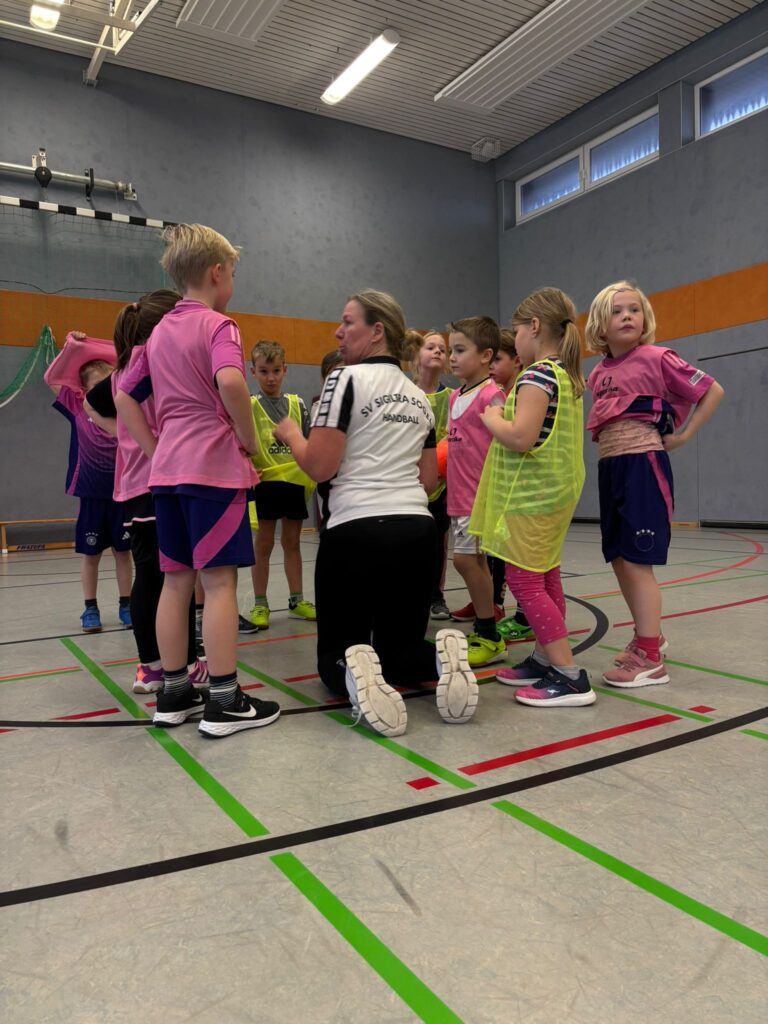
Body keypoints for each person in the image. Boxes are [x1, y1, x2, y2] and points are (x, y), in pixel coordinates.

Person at [273, 289, 478, 736]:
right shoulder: (419, 398)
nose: (338, 331)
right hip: (417, 533)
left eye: (348, 322)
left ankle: (354, 669)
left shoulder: (342, 381)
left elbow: (320, 465)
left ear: (378, 330)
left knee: (334, 657)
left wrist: (291, 434)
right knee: (402, 651)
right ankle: (443, 659)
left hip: (355, 532)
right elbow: (427, 480)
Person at [116, 223, 280, 738]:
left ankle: (174, 692)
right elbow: (231, 380)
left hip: (166, 475)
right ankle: (226, 698)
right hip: (212, 469)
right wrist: (248, 438)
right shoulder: (218, 326)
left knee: (175, 582)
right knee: (220, 581)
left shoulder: (158, 331)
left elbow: (123, 396)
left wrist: (154, 448)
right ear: (217, 272)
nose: (232, 281)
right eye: (231, 272)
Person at [585, 281, 724, 688]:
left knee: (639, 560)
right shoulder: (598, 373)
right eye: (616, 311)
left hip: (643, 465)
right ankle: (651, 636)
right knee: (619, 557)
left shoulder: (657, 357)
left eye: (634, 309)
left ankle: (649, 658)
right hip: (611, 468)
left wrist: (682, 436)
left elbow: (711, 390)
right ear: (600, 325)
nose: (627, 316)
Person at [471, 287, 593, 707]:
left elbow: (521, 437)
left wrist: (490, 419)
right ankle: (545, 657)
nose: (515, 340)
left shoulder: (538, 375)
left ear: (534, 327)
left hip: (533, 495)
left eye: (516, 331)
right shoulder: (567, 375)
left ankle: (568, 673)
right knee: (546, 575)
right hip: (555, 494)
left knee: (524, 580)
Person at [84, 291, 208, 695]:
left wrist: (118, 433)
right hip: (163, 483)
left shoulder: (121, 372)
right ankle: (186, 664)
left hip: (134, 491)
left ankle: (150, 667)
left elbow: (91, 402)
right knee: (176, 579)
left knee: (149, 577)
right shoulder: (158, 365)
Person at [47, 343, 132, 633]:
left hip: (121, 491)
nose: (105, 390)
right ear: (82, 390)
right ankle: (90, 608)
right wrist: (72, 349)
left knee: (124, 552)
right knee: (91, 555)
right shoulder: (76, 406)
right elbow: (51, 378)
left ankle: (126, 604)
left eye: (108, 384)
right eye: (98, 385)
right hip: (91, 492)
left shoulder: (123, 409)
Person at [445, 316, 507, 667]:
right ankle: (487, 627)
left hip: (480, 497)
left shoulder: (491, 395)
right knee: (476, 560)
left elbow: (504, 440)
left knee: (465, 559)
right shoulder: (456, 394)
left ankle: (488, 632)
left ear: (485, 356)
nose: (452, 357)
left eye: (460, 350)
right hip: (458, 495)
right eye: (451, 350)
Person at [244, 339, 316, 629]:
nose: (271, 377)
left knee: (292, 542)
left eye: (276, 370)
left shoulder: (297, 405)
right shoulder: (248, 406)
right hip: (264, 484)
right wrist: (247, 468)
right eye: (264, 371)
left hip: (295, 483)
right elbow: (240, 445)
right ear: (253, 372)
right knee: (262, 545)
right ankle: (260, 603)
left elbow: (311, 441)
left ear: (285, 370)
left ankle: (297, 600)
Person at [405, 328, 454, 620]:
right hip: (409, 482)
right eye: (430, 347)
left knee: (439, 542)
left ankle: (436, 595)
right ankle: (410, 594)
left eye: (442, 349)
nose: (437, 351)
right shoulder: (406, 394)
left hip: (443, 484)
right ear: (415, 356)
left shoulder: (453, 397)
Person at [489, 329, 533, 644]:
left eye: (498, 359)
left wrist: (491, 418)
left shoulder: (519, 392)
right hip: (507, 491)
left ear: (516, 361)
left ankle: (525, 618)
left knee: (522, 564)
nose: (491, 364)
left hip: (521, 493)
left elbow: (518, 438)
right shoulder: (508, 391)